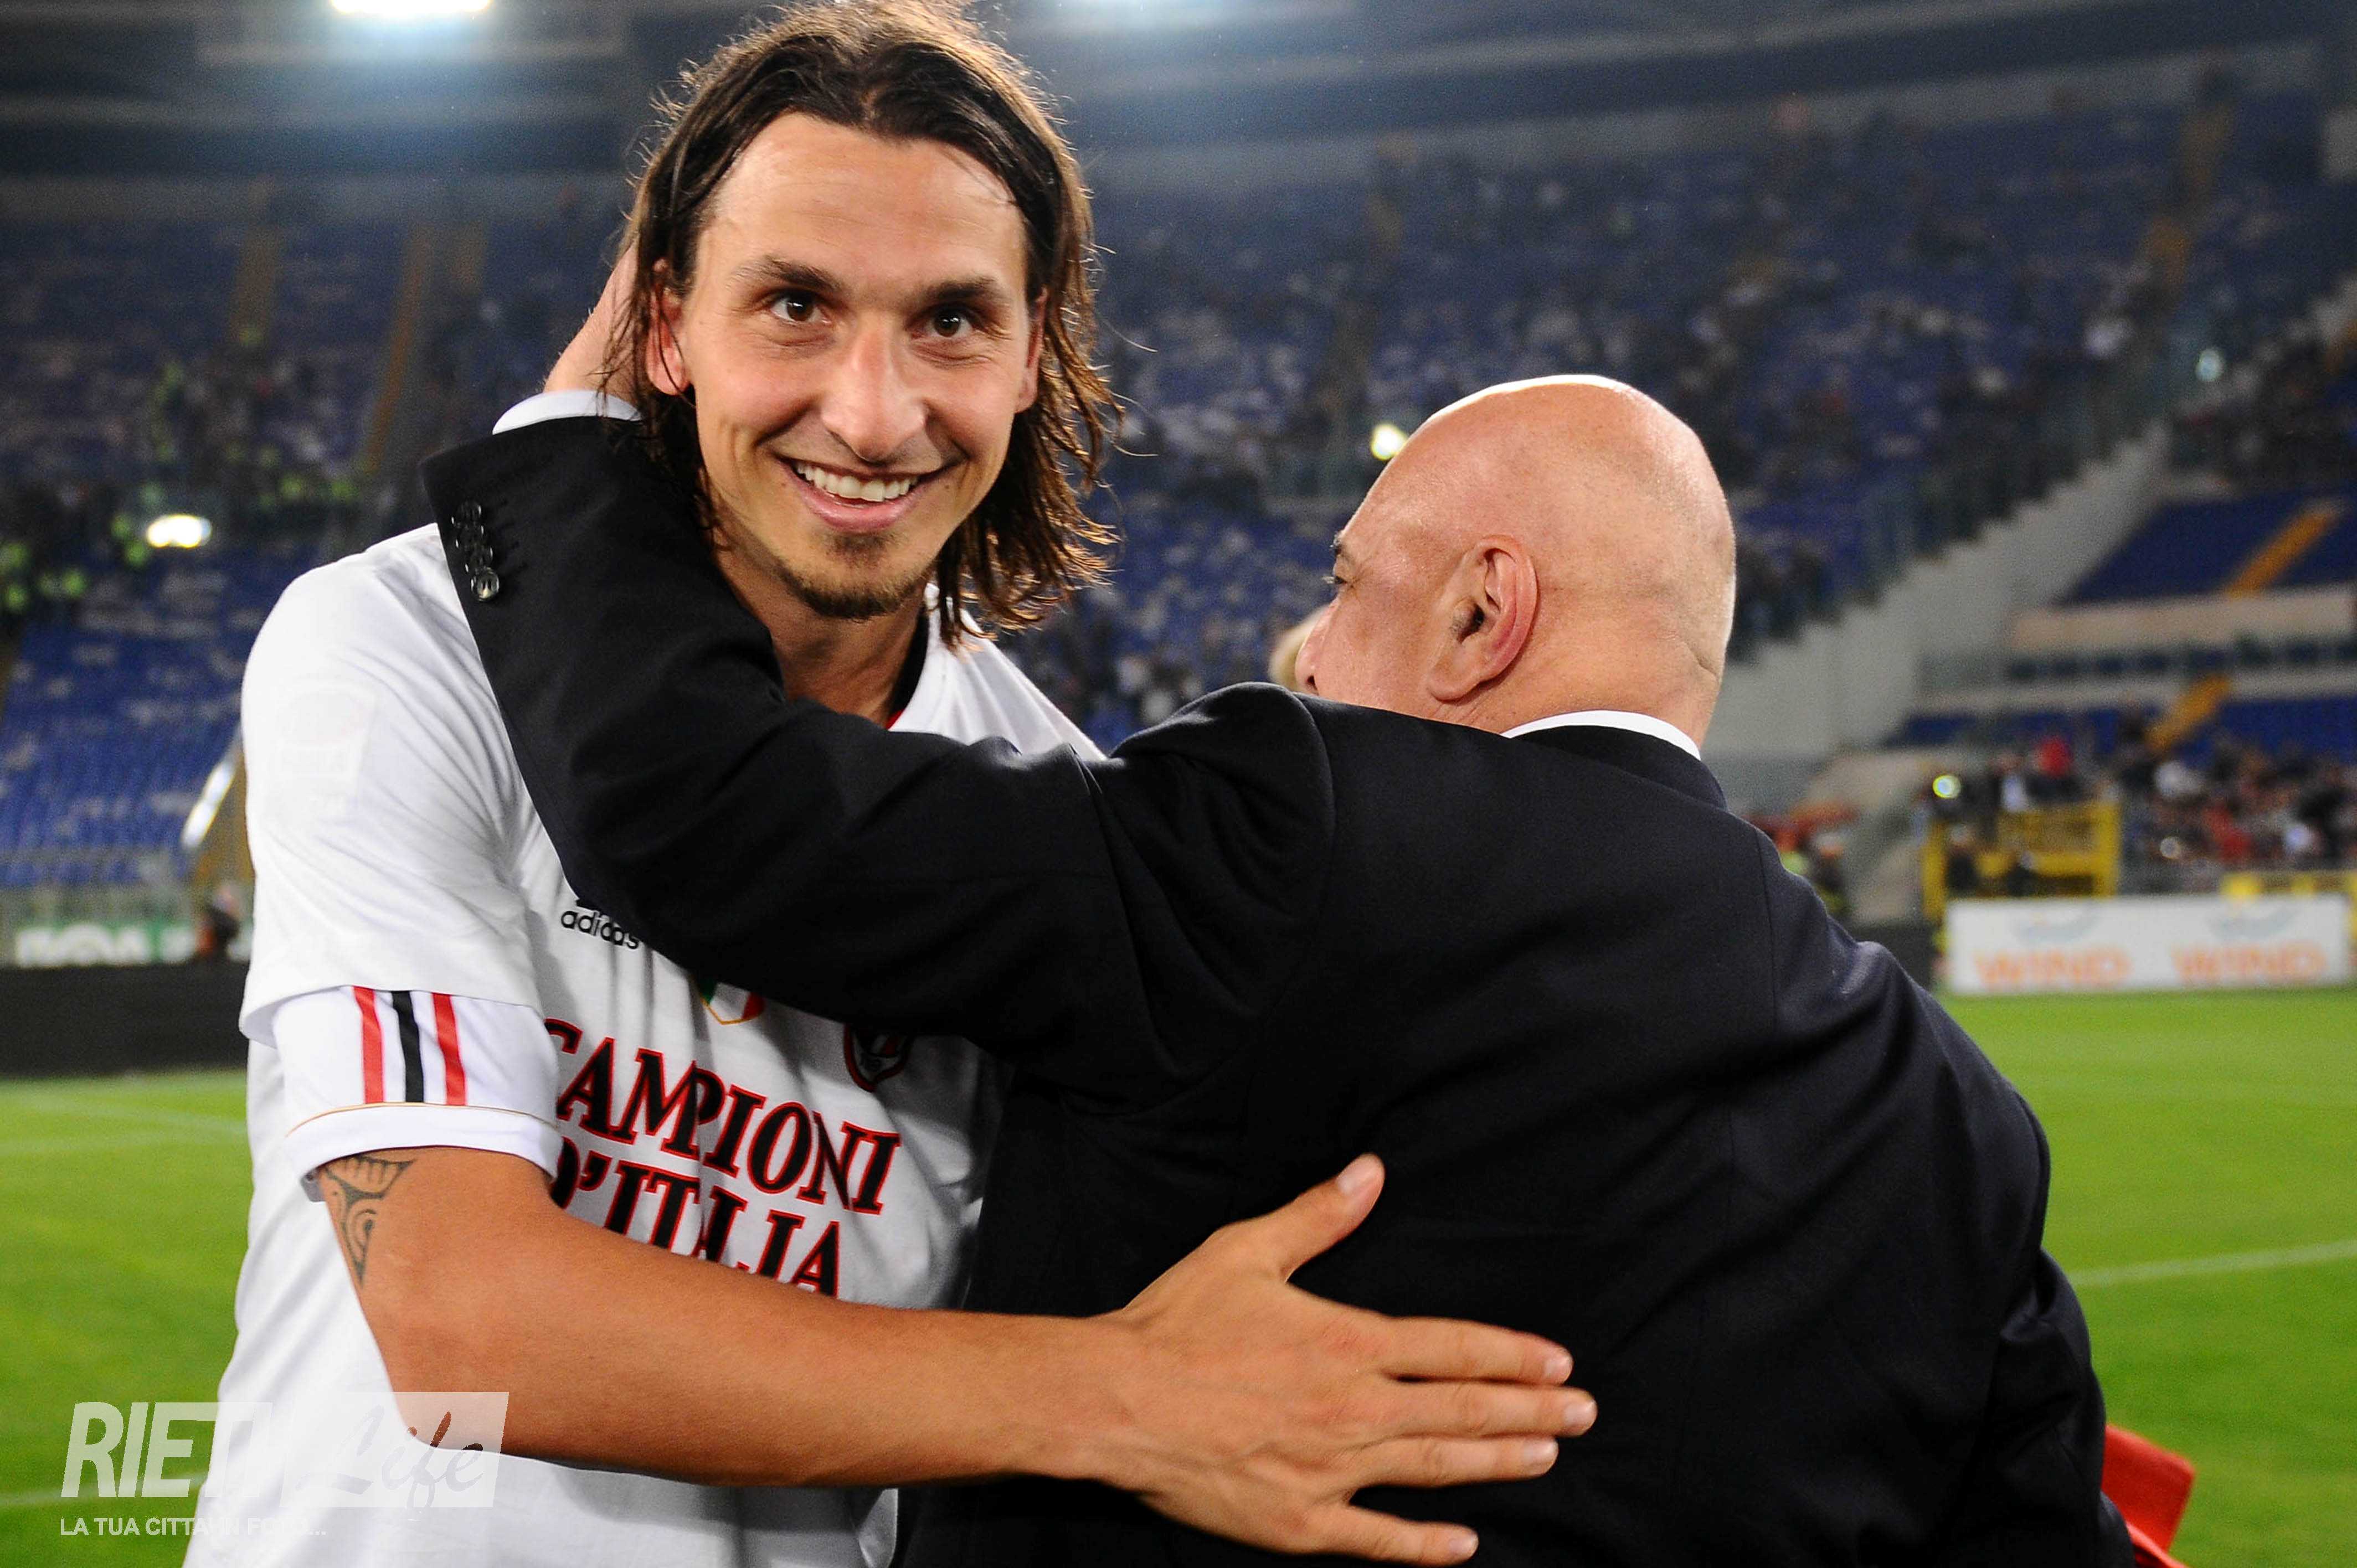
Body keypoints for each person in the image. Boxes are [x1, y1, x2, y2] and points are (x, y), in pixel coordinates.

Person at [191, 9, 1584, 1568]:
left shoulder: (1063, 803)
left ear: (1034, 351)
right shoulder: (404, 644)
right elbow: (461, 1320)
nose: (871, 414)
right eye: (793, 306)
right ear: (667, 327)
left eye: (952, 322)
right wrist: (1123, 1394)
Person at [430, 372, 2130, 1565]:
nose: (1306, 646)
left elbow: (697, 814)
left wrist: (583, 419)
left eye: (1345, 582)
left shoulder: (1304, 826)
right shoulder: (1956, 1120)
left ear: (1483, 614)